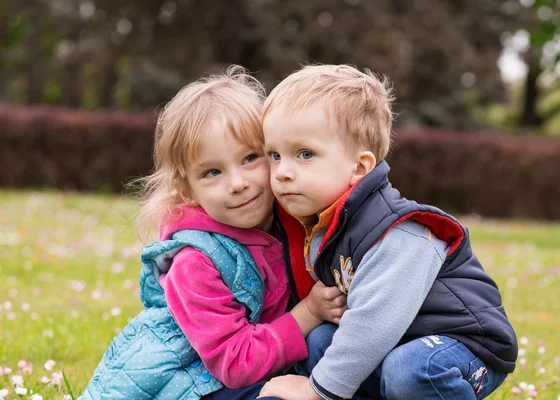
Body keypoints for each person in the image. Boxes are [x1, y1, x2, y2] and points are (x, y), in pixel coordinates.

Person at [79, 66, 347, 400]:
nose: (237, 184)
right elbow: (234, 364)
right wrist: (308, 313)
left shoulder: (289, 218)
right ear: (186, 189)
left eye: (251, 158)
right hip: (192, 384)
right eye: (212, 172)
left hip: (253, 368)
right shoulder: (194, 262)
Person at [258, 64, 518, 400]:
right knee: (320, 341)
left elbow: (374, 323)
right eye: (275, 156)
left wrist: (316, 390)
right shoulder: (324, 226)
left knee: (411, 370)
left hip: (463, 345)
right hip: (402, 341)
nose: (282, 172)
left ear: (359, 168)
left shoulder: (396, 231)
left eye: (305, 154)